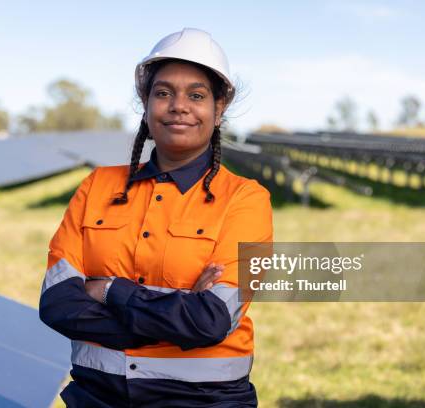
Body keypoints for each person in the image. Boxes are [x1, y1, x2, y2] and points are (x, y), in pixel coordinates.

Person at [39, 28, 273, 407]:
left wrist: (108, 291)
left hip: (205, 400)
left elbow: (211, 321)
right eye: (163, 93)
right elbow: (57, 303)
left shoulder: (246, 200)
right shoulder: (98, 186)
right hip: (97, 397)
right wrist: (176, 314)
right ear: (145, 104)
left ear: (219, 109)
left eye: (196, 95)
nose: (178, 106)